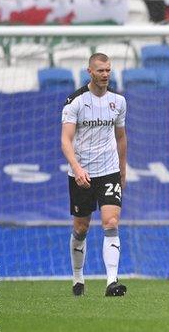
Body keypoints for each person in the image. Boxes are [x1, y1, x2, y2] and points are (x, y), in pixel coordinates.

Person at [61, 53, 128, 297]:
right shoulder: (75, 102)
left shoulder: (118, 102)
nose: (106, 74)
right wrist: (77, 169)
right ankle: (78, 277)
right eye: (100, 70)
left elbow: (121, 137)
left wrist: (123, 169)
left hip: (109, 170)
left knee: (111, 221)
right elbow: (65, 140)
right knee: (81, 228)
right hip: (82, 173)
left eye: (108, 70)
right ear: (89, 71)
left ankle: (112, 282)